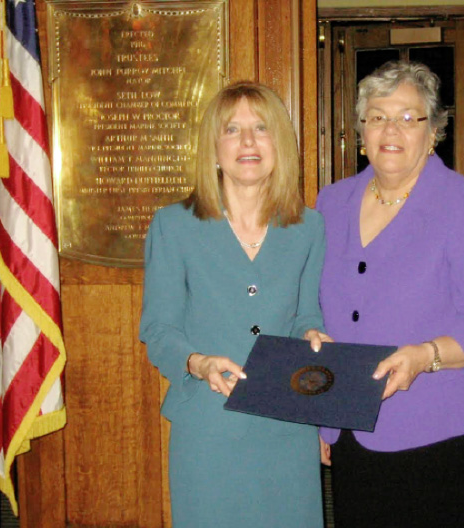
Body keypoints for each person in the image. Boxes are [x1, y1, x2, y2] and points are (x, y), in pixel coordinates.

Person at [316, 60, 464, 527]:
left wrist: (425, 356)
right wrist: (324, 417)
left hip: (440, 427)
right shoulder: (331, 203)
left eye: (409, 117)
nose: (392, 129)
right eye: (377, 116)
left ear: (434, 133)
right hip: (351, 424)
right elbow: (326, 315)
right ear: (360, 130)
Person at [139, 82, 330, 528]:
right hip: (209, 426)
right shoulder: (173, 226)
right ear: (214, 148)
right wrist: (198, 362)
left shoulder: (309, 228)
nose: (248, 141)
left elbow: (307, 314)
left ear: (279, 144)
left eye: (261, 128)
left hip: (289, 424)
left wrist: (312, 335)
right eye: (232, 129)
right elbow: (159, 330)